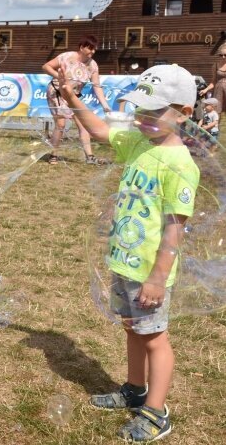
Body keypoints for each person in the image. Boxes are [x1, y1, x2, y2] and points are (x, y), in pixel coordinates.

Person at [57, 64, 199, 442]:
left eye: (153, 112)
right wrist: (72, 97)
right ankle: (134, 390)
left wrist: (156, 277)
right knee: (132, 328)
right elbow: (101, 130)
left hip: (151, 272)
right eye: (139, 109)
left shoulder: (180, 165)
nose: (142, 118)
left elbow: (174, 227)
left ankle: (156, 413)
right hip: (125, 263)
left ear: (184, 113)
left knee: (155, 338)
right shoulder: (139, 142)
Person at [42, 34, 112, 165]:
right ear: (81, 47)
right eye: (90, 48)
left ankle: (89, 157)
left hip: (73, 95)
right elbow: (46, 66)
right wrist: (60, 77)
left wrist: (105, 105)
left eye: (94, 49)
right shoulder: (67, 57)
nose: (93, 51)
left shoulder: (93, 65)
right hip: (57, 92)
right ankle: (53, 154)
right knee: (61, 124)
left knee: (83, 124)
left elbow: (97, 86)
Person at [198, 43, 226, 114]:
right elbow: (213, 81)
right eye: (221, 55)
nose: (223, 57)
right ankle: (216, 124)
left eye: (225, 55)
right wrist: (205, 90)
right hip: (218, 90)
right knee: (217, 110)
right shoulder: (215, 66)